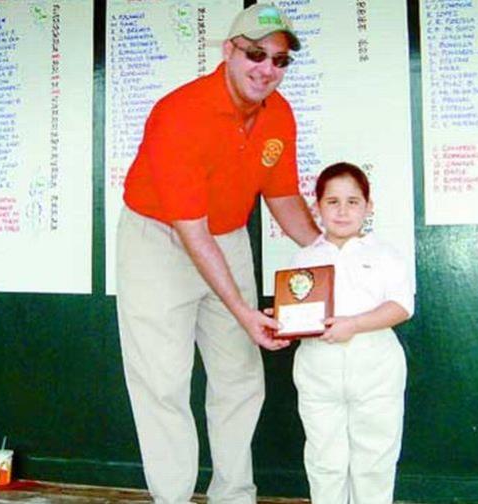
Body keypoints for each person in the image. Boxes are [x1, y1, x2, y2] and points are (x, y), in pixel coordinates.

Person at [114, 4, 320, 504]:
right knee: (162, 380)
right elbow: (191, 230)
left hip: (226, 236)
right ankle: (173, 496)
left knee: (240, 376)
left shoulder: (279, 114)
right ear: (229, 51)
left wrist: (333, 251)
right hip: (158, 242)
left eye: (279, 60)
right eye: (255, 54)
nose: (267, 69)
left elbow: (283, 197)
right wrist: (244, 312)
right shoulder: (179, 113)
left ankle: (234, 495)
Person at [286, 162, 414, 504]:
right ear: (317, 206)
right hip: (318, 372)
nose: (342, 211)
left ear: (368, 207)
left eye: (353, 202)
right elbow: (298, 309)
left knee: (374, 460)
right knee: (324, 461)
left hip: (375, 369)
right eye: (332, 202)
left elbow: (401, 307)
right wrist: (282, 322)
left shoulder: (387, 255)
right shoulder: (304, 257)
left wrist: (353, 325)